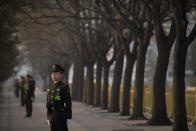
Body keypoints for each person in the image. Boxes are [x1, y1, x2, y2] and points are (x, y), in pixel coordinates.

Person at [46, 64, 72, 131]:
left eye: (56, 73)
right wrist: (48, 117)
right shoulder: (50, 87)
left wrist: (68, 117)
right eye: (52, 73)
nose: (53, 75)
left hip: (61, 116)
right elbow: (48, 103)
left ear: (61, 75)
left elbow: (68, 103)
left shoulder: (64, 87)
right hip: (52, 116)